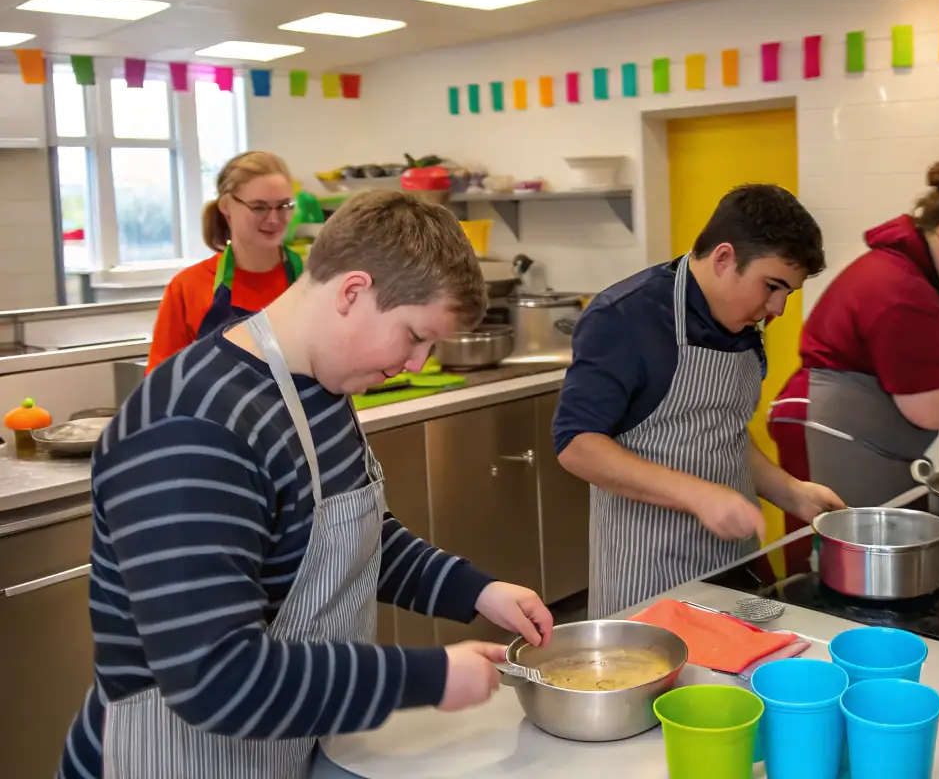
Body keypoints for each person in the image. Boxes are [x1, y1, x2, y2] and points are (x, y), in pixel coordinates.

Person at [60, 190, 554, 779]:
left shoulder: (318, 387)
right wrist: (429, 677)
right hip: (176, 758)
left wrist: (475, 590)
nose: (418, 363)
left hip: (287, 745)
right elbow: (215, 678)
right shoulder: (193, 430)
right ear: (352, 291)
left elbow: (347, 537)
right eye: (415, 336)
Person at [554, 184, 846, 617]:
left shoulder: (744, 328)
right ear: (724, 258)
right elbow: (577, 445)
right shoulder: (623, 317)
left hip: (733, 565)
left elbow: (720, 429)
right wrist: (698, 496)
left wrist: (791, 491)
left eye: (788, 292)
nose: (778, 308)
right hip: (648, 577)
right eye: (772, 286)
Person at [767, 163, 939, 510]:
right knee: (835, 553)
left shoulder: (906, 272)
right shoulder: (901, 290)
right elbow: (930, 407)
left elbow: (905, 346)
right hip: (827, 431)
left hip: (850, 430)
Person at [146, 151, 303, 372]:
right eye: (259, 207)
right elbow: (161, 385)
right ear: (226, 206)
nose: (274, 219)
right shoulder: (188, 288)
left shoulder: (314, 280)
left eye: (284, 206)